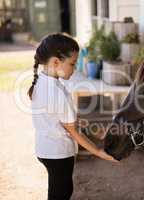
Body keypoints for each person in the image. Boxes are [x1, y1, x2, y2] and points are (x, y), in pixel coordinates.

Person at [28, 33, 118, 200]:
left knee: (58, 190)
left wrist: (93, 130)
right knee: (61, 193)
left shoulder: (42, 81)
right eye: (72, 63)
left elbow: (65, 121)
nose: (75, 68)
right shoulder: (57, 92)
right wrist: (99, 152)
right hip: (59, 153)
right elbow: (73, 131)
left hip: (45, 148)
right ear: (56, 62)